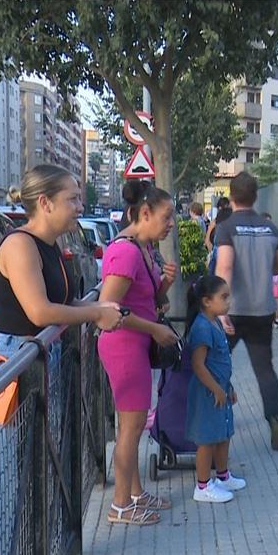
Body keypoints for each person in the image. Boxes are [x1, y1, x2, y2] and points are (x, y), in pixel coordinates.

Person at [0, 165, 123, 555]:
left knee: (36, 464)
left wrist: (97, 308)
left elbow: (66, 301)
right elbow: (39, 312)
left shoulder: (52, 246)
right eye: (73, 199)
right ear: (45, 203)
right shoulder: (20, 245)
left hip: (44, 362)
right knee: (4, 469)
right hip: (16, 364)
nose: (80, 206)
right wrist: (95, 312)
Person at [98, 180, 180, 525]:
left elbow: (144, 301)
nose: (171, 223)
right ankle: (121, 506)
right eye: (167, 216)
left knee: (132, 428)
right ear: (144, 213)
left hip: (134, 345)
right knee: (130, 429)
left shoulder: (142, 248)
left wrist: (164, 286)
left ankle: (134, 493)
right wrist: (155, 330)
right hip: (124, 347)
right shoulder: (127, 251)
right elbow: (107, 309)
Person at [215, 172, 278, 450]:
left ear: (232, 196)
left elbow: (224, 267)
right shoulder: (270, 228)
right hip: (263, 310)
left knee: (217, 365)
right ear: (255, 196)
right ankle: (276, 420)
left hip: (232, 310)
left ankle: (213, 424)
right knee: (264, 369)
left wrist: (220, 311)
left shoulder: (227, 227)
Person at [185, 275, 246, 503]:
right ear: (207, 301)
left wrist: (227, 387)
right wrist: (216, 389)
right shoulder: (202, 327)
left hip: (220, 390)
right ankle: (203, 486)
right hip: (207, 393)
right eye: (224, 297)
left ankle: (222, 475)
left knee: (224, 433)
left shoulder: (215, 322)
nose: (228, 301)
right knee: (207, 439)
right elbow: (198, 365)